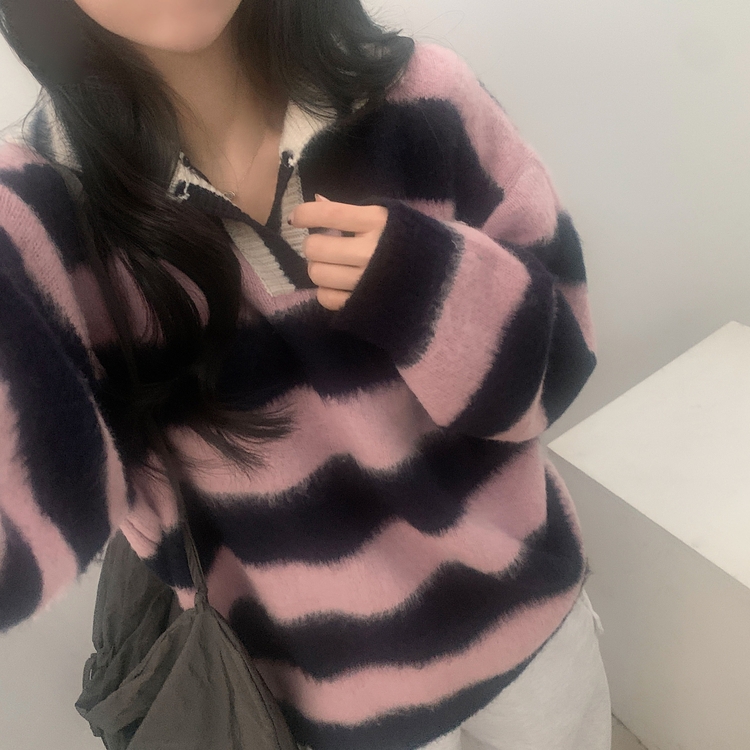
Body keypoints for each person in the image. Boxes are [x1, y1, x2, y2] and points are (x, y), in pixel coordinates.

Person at [0, 1, 609, 749]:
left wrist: (427, 283)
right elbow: (28, 529)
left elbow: (560, 367)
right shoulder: (40, 215)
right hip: (330, 713)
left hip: (532, 635)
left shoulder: (424, 95)